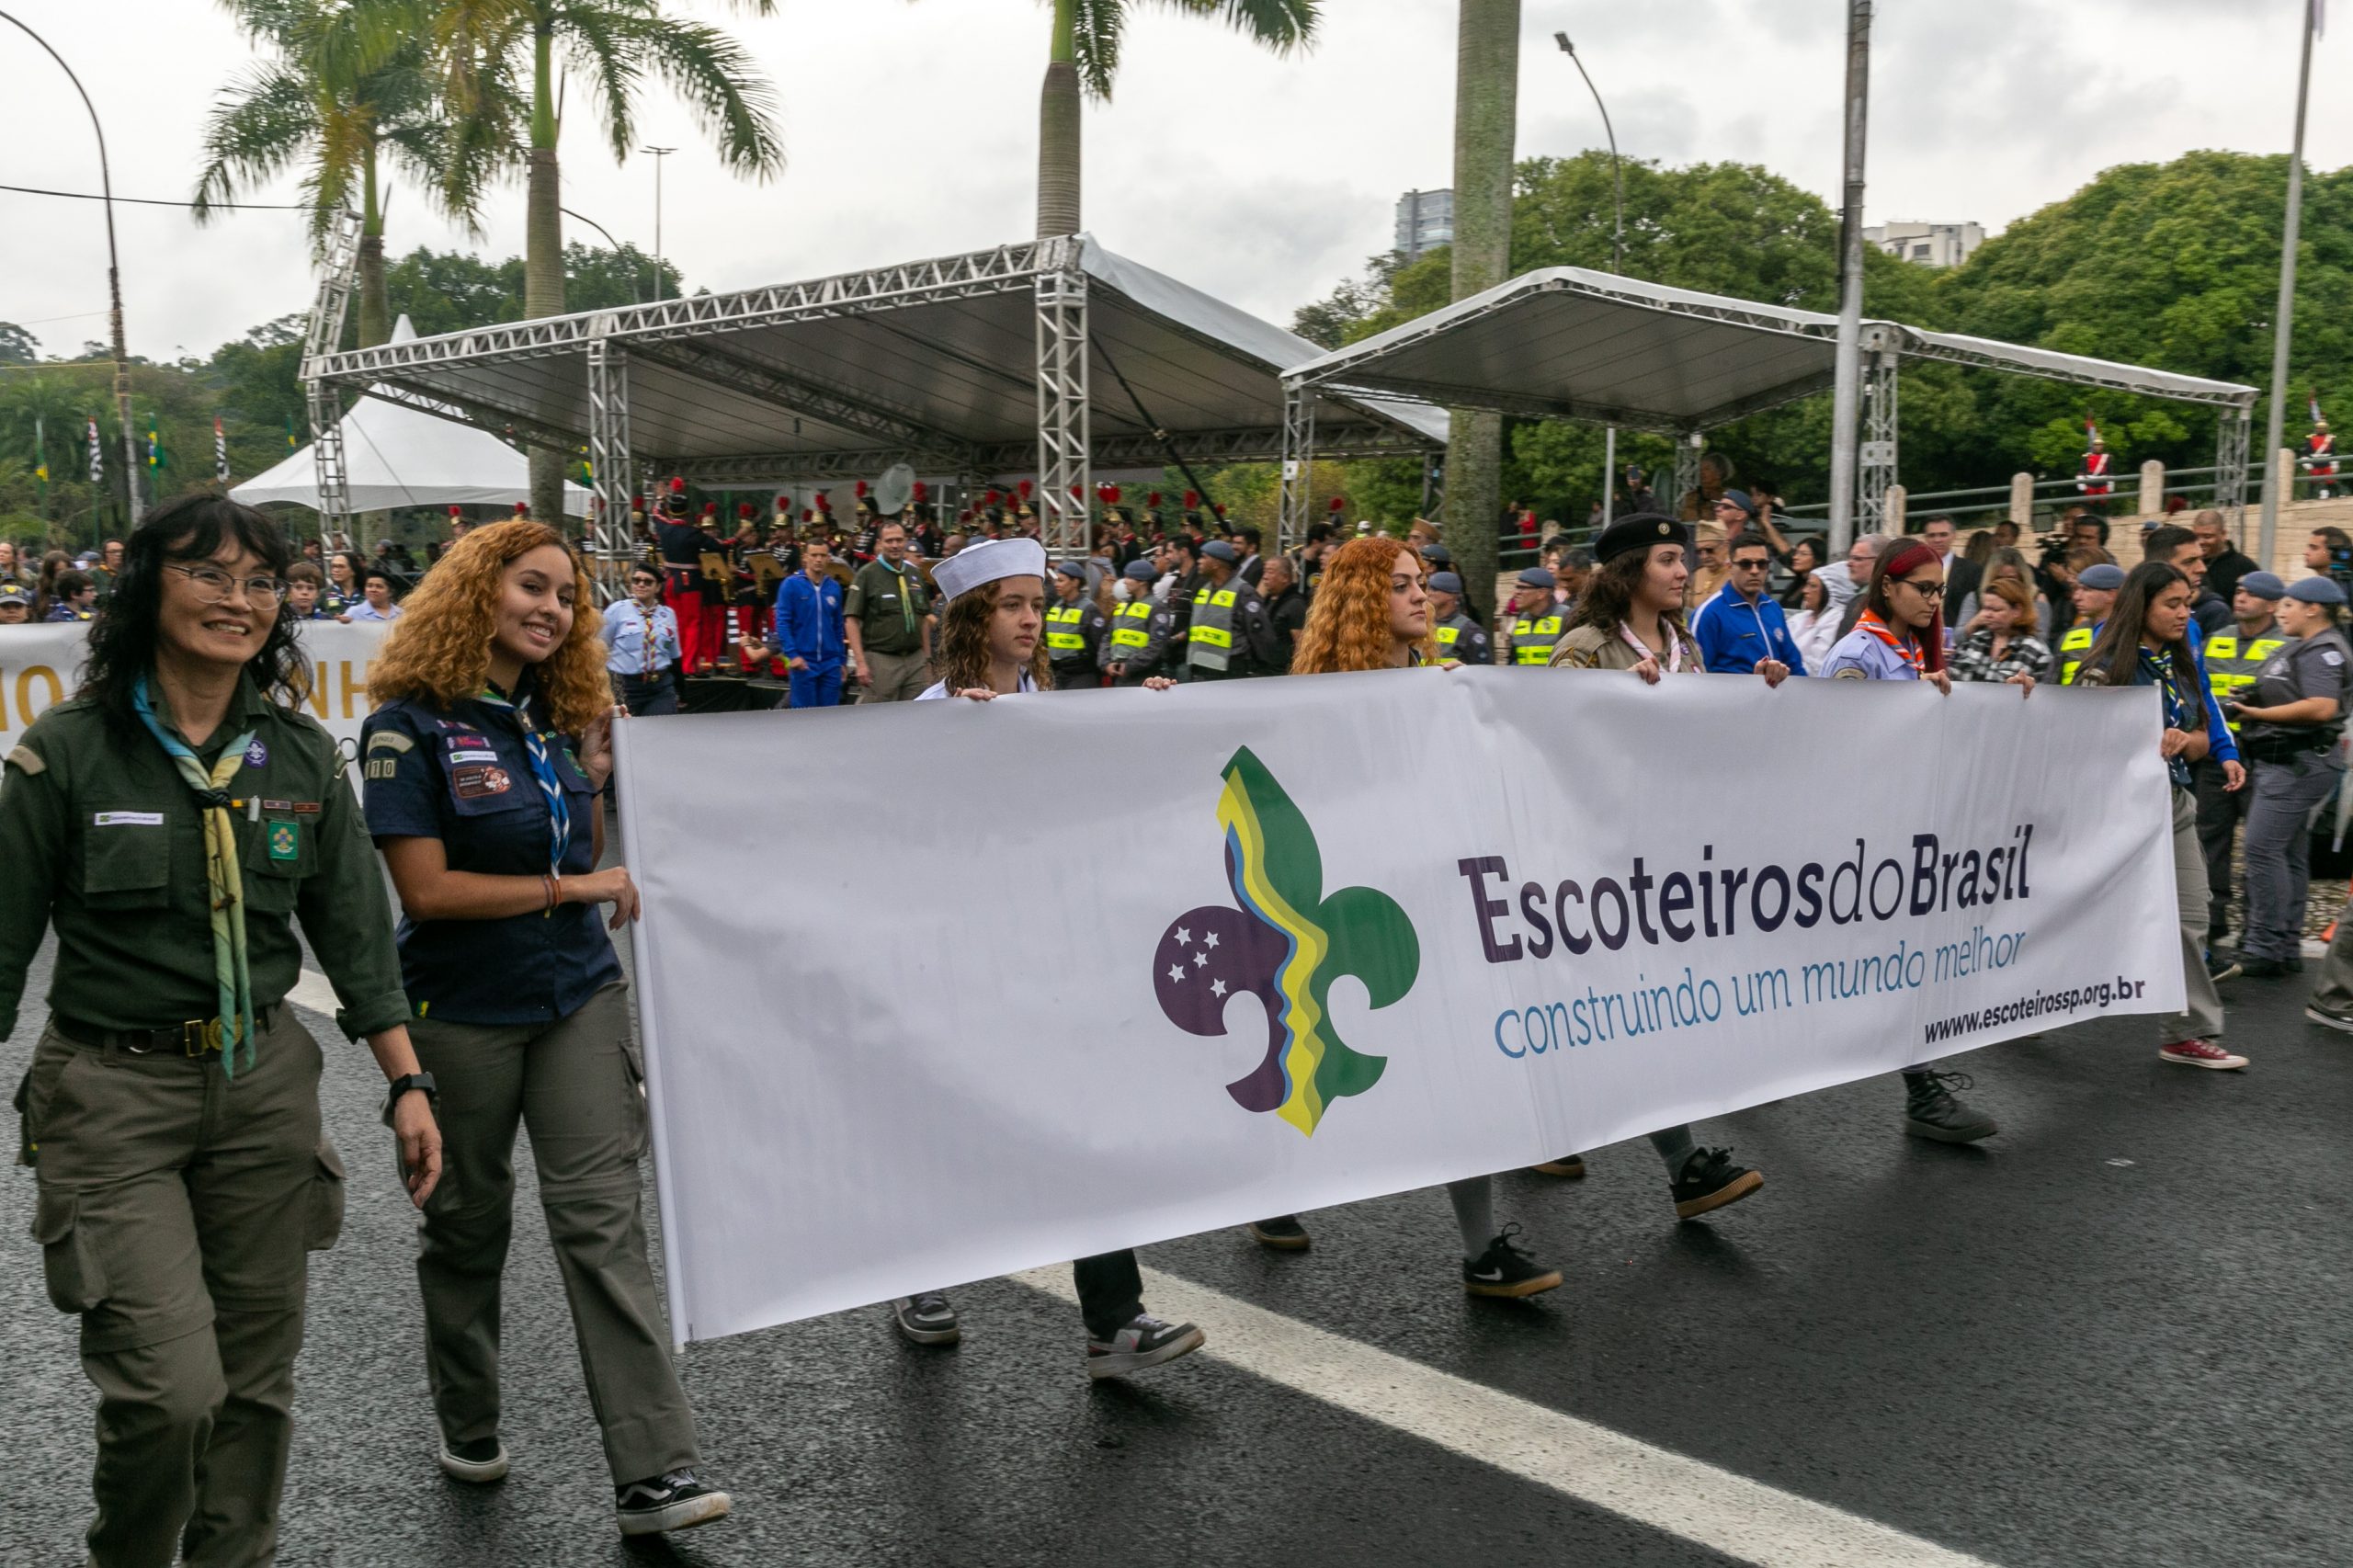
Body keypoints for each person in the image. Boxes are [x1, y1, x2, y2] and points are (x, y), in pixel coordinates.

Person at [0, 494, 443, 1568]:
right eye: (208, 574)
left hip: (262, 1090)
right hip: (111, 1091)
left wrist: (407, 1081)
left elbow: (354, 935)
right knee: (170, 1392)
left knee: (254, 1387)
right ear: (149, 586)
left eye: (257, 582)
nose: (236, 600)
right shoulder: (63, 753)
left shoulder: (296, 756)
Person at [359, 519, 730, 1534]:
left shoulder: (549, 726)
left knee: (603, 1226)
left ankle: (656, 1468)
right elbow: (428, 891)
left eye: (566, 596)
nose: (552, 609)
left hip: (576, 997)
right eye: (533, 585)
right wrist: (577, 878)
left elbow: (581, 852)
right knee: (468, 1227)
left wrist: (594, 783)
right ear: (475, 591)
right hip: (461, 1014)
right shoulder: (405, 728)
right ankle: (467, 1416)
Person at [898, 538, 1207, 1374]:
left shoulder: (1059, 707)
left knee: (1084, 1122)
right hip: (968, 957)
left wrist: (1146, 717)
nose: (1032, 619)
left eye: (1039, 603)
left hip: (1056, 954)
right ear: (972, 616)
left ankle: (1115, 1321)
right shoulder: (930, 716)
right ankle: (917, 1273)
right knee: (960, 1118)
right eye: (1012, 604)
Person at [1239, 537, 1570, 1292]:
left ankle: (1481, 1249)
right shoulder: (1313, 697)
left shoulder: (1444, 682)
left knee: (1464, 1069)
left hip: (1435, 908)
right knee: (1321, 1062)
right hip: (1344, 917)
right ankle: (1274, 1190)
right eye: (1400, 586)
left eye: (1421, 583)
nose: (1422, 596)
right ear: (1361, 601)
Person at [1531, 513, 1779, 1210]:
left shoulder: (1687, 648)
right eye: (1670, 559)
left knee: (1618, 1012)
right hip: (1596, 863)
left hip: (1664, 861)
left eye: (1688, 559)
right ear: (1629, 569)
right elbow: (1553, 743)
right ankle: (1684, 1165)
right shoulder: (1584, 647)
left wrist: (1756, 697)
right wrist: (1616, 707)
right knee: (1629, 1010)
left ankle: (1543, 1126)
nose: (1684, 571)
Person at [1820, 539, 2027, 1136]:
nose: (1936, 601)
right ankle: (1918, 1090)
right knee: (1859, 969)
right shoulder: (1858, 653)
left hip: (1907, 834)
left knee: (1901, 966)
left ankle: (1920, 1090)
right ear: (1888, 586)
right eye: (1924, 589)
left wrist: (2005, 699)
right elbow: (1836, 744)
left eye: (1941, 591)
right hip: (1863, 842)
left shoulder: (1914, 649)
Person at [2073, 562, 2248, 1069]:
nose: (2183, 614)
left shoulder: (2180, 662)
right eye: (2172, 603)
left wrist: (2188, 742)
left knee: (2192, 917)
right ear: (2141, 605)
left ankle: (2185, 1033)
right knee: (2075, 912)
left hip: (2172, 808)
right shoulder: (2105, 669)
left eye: (2187, 603)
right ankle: (2015, 1002)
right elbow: (2080, 744)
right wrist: (2142, 742)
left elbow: (2195, 737)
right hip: (2114, 815)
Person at [2222, 576, 2353, 978]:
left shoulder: (2324, 649)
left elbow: (2320, 707)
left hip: (2295, 763)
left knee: (2261, 851)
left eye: (2290, 605)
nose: (2282, 611)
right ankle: (2284, 943)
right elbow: (2288, 692)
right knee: (2288, 853)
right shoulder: (2301, 645)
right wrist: (2253, 696)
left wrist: (2254, 715)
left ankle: (2264, 945)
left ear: (2314, 608)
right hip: (2285, 761)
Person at [2194, 571, 2288, 948]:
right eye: (2239, 590)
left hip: (2262, 753)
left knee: (2259, 846)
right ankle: (2212, 922)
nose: (2241, 597)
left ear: (2272, 604)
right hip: (2218, 754)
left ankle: (2258, 928)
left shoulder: (2286, 644)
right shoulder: (2218, 638)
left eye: (2252, 594)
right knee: (2209, 838)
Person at [1689, 535, 1807, 676]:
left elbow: (1793, 664)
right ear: (1730, 567)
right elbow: (1695, 674)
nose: (1754, 571)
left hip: (1775, 697)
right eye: (1746, 564)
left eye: (1762, 564)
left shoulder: (1773, 608)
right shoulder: (1709, 614)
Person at [844, 518, 934, 702]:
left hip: (915, 659)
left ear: (905, 541)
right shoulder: (867, 575)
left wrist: (927, 659)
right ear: (880, 543)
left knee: (914, 714)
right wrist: (860, 663)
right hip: (881, 660)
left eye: (899, 540)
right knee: (877, 718)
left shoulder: (914, 574)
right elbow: (851, 620)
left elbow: (923, 619)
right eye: (889, 541)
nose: (895, 545)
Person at [1183, 539, 1278, 681]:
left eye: (1204, 557)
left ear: (1216, 564)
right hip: (1199, 671)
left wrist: (1264, 674)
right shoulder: (1204, 590)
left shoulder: (1243, 592)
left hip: (1229, 674)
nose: (1199, 561)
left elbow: (1262, 637)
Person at [772, 535, 848, 708]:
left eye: (822, 555)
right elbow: (783, 623)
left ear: (829, 558)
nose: (818, 559)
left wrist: (841, 661)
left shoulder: (834, 587)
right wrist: (793, 655)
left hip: (830, 663)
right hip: (804, 662)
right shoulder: (791, 585)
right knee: (805, 716)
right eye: (814, 555)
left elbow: (837, 627)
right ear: (805, 557)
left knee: (829, 717)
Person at [602, 562, 685, 716]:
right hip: (625, 686)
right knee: (626, 734)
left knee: (658, 732)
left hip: (660, 686)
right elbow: (600, 648)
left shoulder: (668, 614)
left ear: (658, 587)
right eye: (636, 580)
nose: (641, 585)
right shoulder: (616, 611)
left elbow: (674, 654)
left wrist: (682, 689)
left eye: (648, 582)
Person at [1949, 576, 2052, 685]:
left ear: (2017, 610)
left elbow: (2042, 696)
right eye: (1985, 608)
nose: (1987, 614)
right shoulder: (1974, 641)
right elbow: (1952, 679)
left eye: (1996, 610)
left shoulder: (2038, 652)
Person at [2145, 524, 2230, 636]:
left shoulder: (2203, 620)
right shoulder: (2128, 615)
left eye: (2201, 559)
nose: (2202, 569)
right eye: (2189, 562)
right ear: (2160, 566)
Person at [1101, 559, 1175, 685]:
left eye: (1129, 577)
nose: (1124, 581)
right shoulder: (1123, 606)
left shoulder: (1157, 607)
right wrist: (1106, 662)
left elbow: (1157, 643)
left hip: (1144, 676)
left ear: (1142, 582)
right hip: (1119, 674)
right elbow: (1108, 637)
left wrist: (1131, 665)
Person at [1044, 559, 1108, 690]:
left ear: (1075, 582)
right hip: (1057, 673)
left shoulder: (1089, 609)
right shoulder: (1056, 607)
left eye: (1061, 581)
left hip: (1082, 675)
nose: (1056, 584)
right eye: (1056, 580)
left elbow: (1100, 644)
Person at [2056, 562, 2125, 684]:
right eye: (2076, 589)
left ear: (2111, 595)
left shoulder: (2129, 634)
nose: (2076, 597)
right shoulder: (2071, 635)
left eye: (2086, 590)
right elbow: (2051, 683)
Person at [2193, 509, 2258, 606]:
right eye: (2196, 536)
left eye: (2207, 536)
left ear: (2223, 534)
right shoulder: (2187, 562)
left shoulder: (2244, 566)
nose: (2200, 542)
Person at [1427, 570, 1492, 665]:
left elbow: (1483, 672)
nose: (1428, 593)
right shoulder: (1423, 625)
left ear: (1451, 595)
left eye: (1434, 589)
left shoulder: (1470, 631)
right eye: (1428, 589)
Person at [1501, 566, 1561, 665]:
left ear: (1541, 593)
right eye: (1517, 587)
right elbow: (1514, 660)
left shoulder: (1565, 616)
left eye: (1522, 588)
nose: (1516, 593)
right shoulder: (1522, 619)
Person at [1260, 553, 1310, 671]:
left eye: (1270, 572)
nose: (1265, 577)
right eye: (1265, 572)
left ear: (1285, 578)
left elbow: (1301, 646)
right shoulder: (1267, 601)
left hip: (1281, 673)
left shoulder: (1295, 605)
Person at [1785, 571, 1841, 671]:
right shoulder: (1801, 618)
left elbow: (1817, 666)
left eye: (1813, 586)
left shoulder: (1834, 621)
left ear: (1829, 592)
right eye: (1807, 585)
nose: (1805, 590)